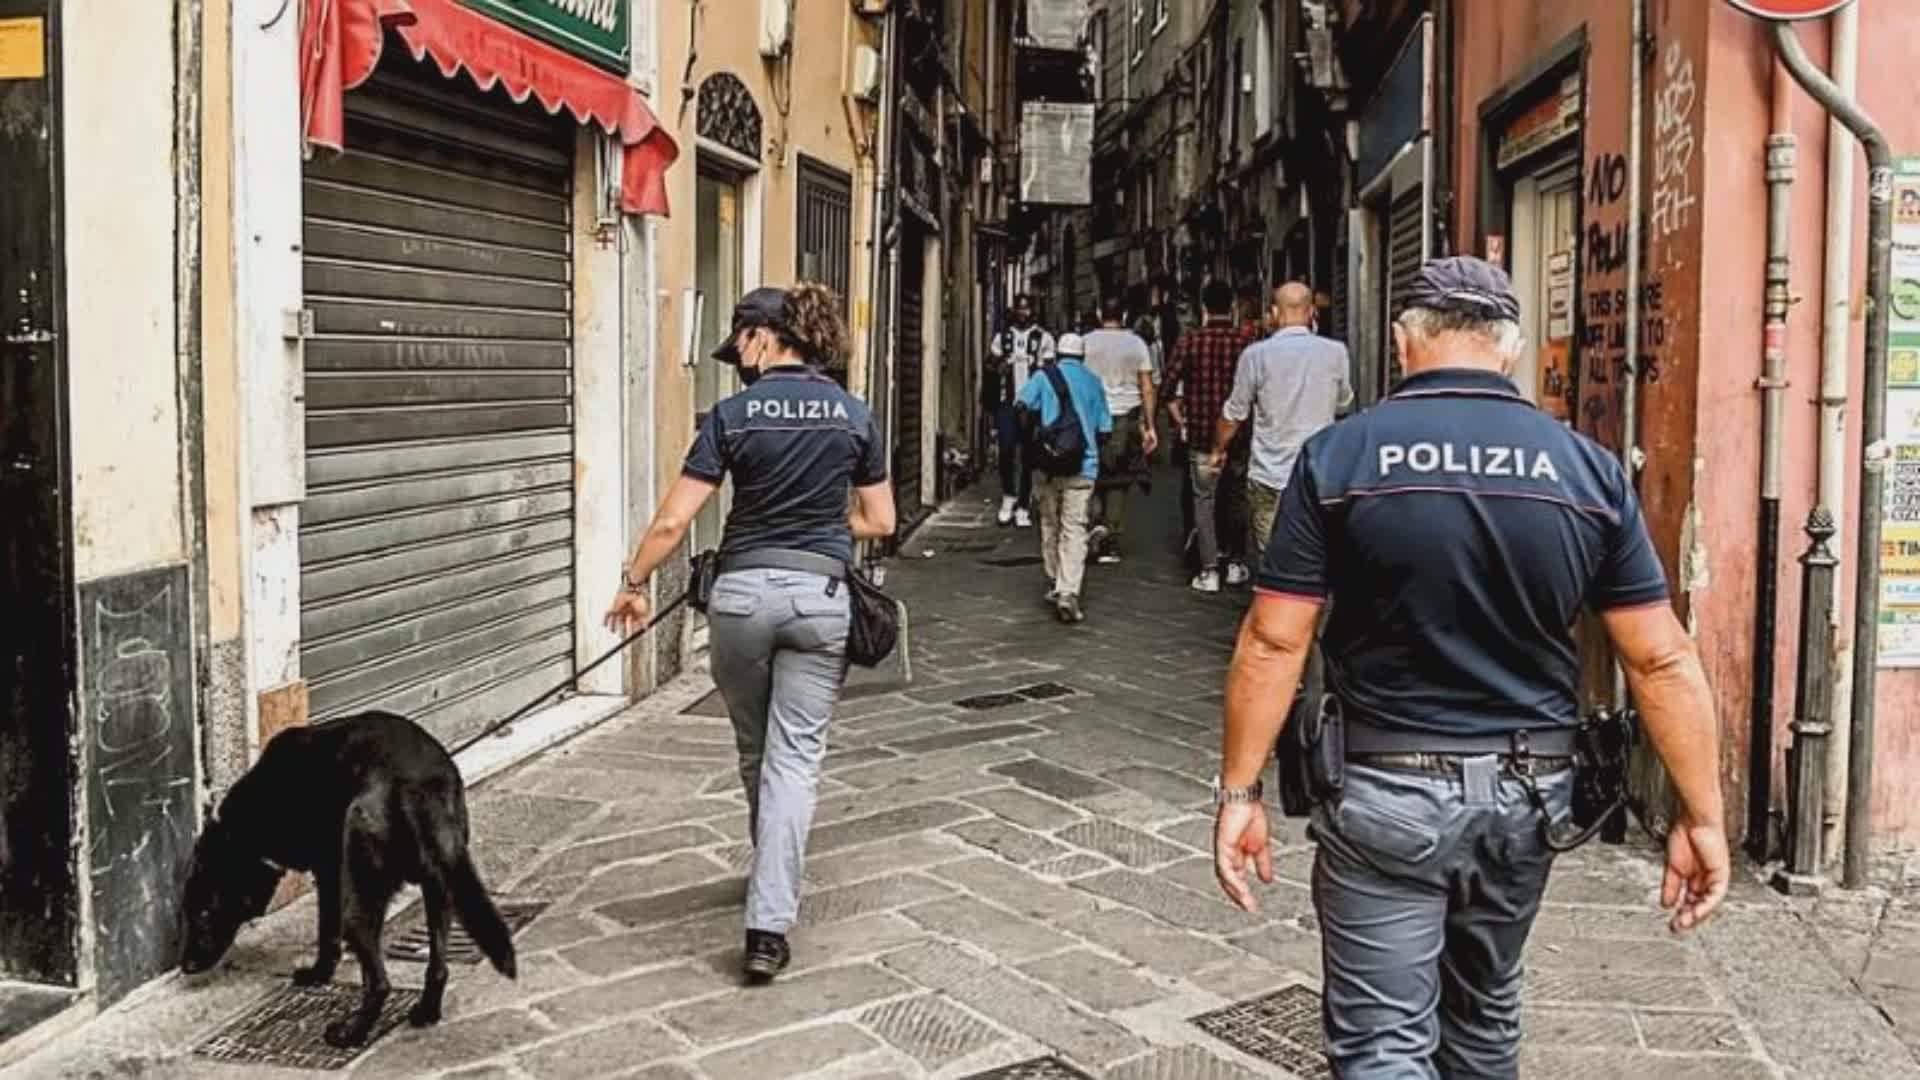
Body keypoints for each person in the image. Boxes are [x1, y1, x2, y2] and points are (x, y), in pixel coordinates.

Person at [1211, 257, 1731, 1078]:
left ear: (1401, 340)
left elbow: (1275, 641)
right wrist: (1701, 815)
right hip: (1530, 795)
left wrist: (1241, 792)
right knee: (1484, 1018)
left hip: (1384, 789)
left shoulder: (1339, 461)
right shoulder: (1586, 472)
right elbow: (1660, 658)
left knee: (1383, 1045)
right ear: (1510, 348)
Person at [605, 284, 894, 985]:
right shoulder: (854, 415)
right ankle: (768, 925)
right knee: (795, 759)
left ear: (767, 338)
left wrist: (634, 583)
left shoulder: (733, 415)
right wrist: (825, 529)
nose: (736, 354)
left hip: (738, 598)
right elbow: (881, 521)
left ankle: (771, 871)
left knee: (755, 749)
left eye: (741, 340)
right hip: (820, 596)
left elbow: (675, 521)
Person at [1212, 281, 1352, 557]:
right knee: (1317, 554)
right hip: (1320, 474)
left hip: (1269, 473)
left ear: (1275, 313)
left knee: (1273, 557)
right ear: (1312, 312)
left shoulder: (1255, 355)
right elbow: (1343, 403)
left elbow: (1234, 414)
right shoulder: (1336, 352)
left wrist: (1219, 450)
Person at [1018, 332, 1112, 624]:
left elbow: (1020, 406)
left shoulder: (1043, 377)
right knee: (1075, 527)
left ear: (1057, 355)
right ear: (1082, 357)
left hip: (1046, 466)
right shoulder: (1094, 382)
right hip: (1082, 465)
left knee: (1049, 522)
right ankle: (1068, 590)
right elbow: (1105, 428)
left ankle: (1054, 579)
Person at [1166, 280, 1252, 593]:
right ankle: (1236, 563)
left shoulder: (1190, 342)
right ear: (1232, 307)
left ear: (1203, 308)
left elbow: (1167, 389)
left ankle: (1209, 569)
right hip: (1238, 437)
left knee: (1204, 499)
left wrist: (1182, 421)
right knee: (1236, 497)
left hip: (1201, 437)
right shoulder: (1246, 344)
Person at [1082, 295, 1158, 564]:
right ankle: (1111, 540)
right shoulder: (1136, 344)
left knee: (1093, 472)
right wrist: (1150, 426)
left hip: (1092, 417)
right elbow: (1147, 386)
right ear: (1124, 315)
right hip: (1126, 415)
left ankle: (1094, 522)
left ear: (1101, 313)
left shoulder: (1086, 342)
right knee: (1120, 478)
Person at [985, 294, 1056, 528]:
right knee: (1005, 450)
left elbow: (1049, 370)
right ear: (1013, 310)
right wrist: (1000, 367)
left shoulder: (1043, 338)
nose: (1023, 313)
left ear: (1032, 310)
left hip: (1032, 405)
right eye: (1019, 308)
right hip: (1008, 402)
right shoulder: (1002, 337)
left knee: (1028, 456)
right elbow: (990, 363)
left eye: (1027, 309)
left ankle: (1024, 505)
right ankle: (1008, 495)